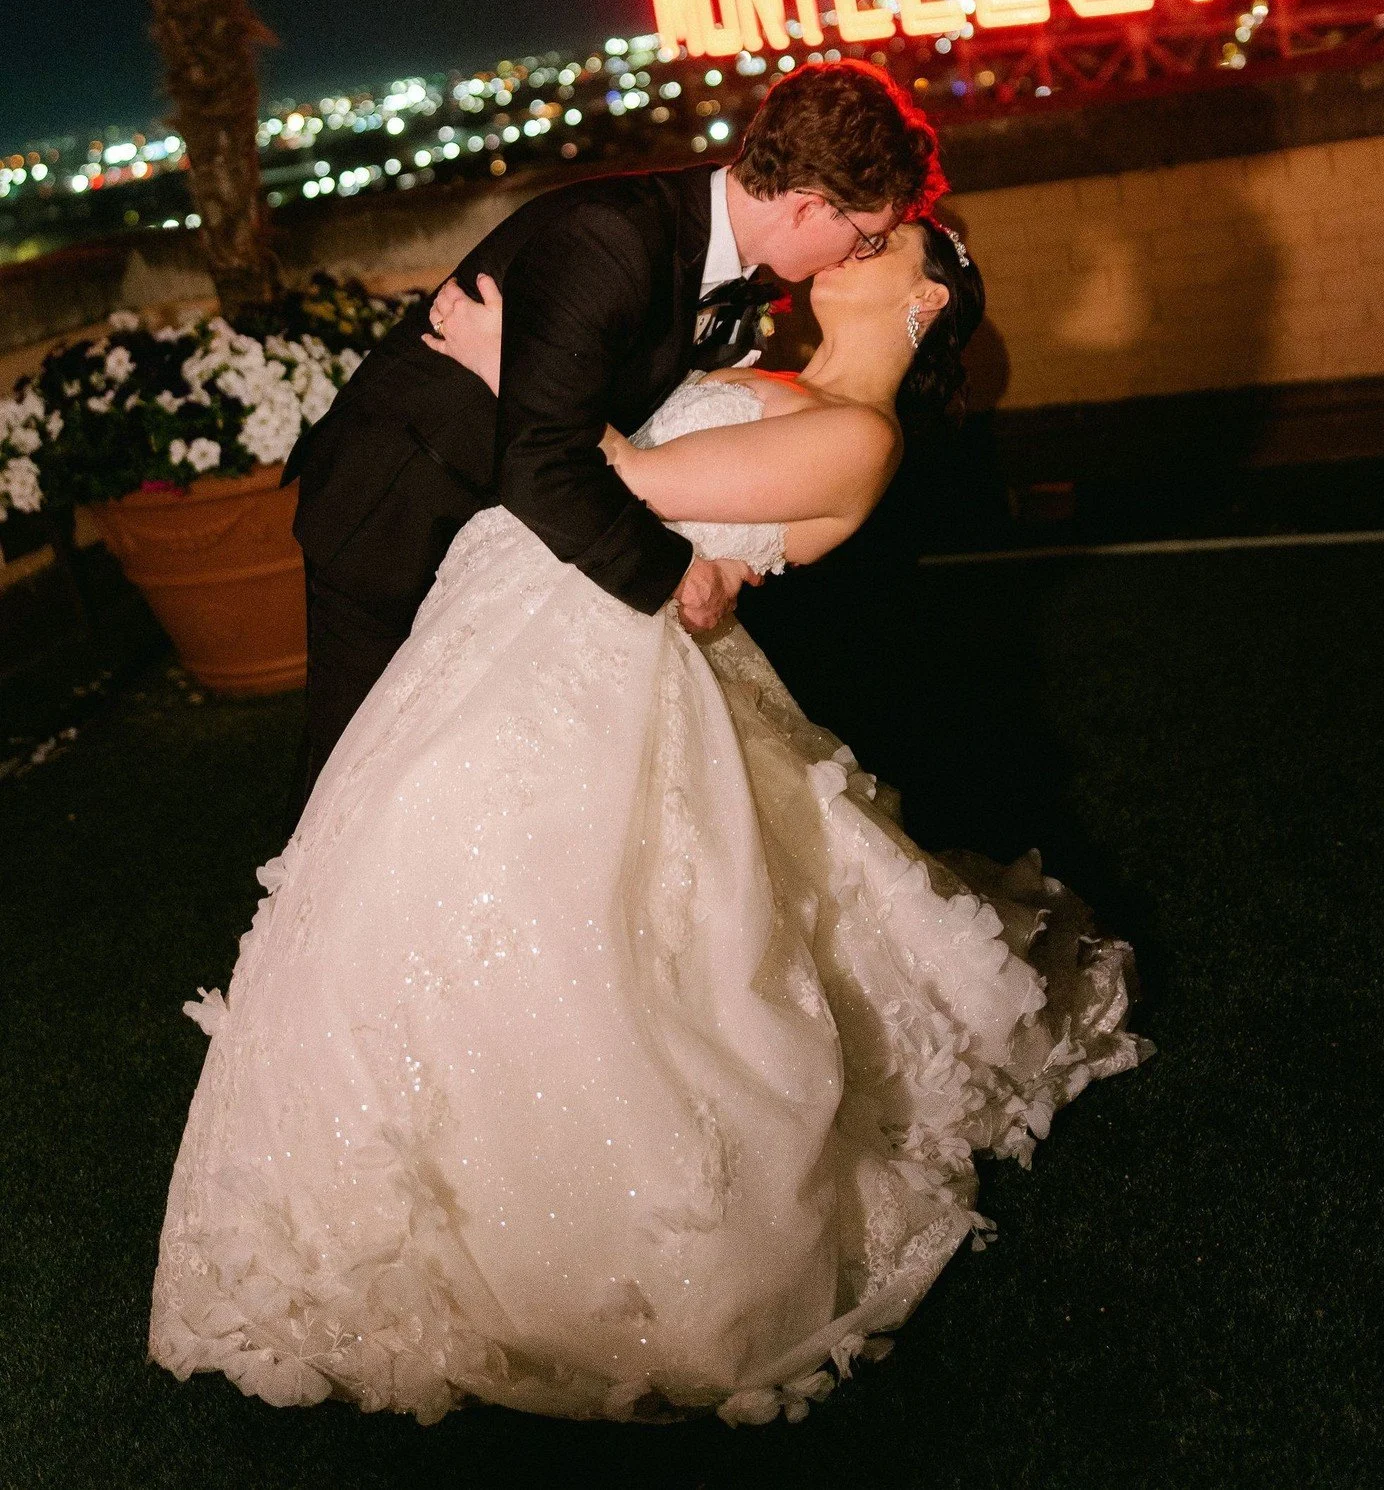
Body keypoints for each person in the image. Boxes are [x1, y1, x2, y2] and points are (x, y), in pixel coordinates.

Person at [149, 215, 1153, 1426]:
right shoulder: (769, 375)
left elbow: (626, 478)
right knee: (389, 868)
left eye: (889, 241)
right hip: (503, 616)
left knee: (545, 905)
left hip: (602, 671)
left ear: (929, 299)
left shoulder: (859, 435)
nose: (854, 240)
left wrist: (503, 356)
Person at [282, 59, 943, 808]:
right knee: (356, 788)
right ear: (810, 208)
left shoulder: (727, 264)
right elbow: (543, 458)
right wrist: (673, 572)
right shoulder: (614, 238)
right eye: (863, 236)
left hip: (510, 538)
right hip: (402, 508)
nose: (857, 254)